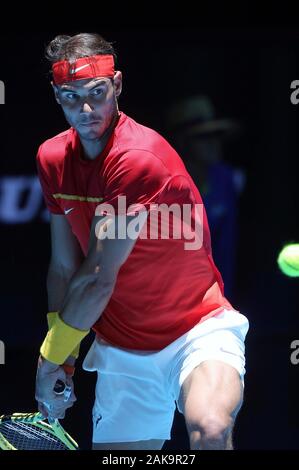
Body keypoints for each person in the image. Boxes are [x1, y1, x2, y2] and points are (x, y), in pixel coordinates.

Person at [35, 33, 249, 451]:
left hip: (195, 330)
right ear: (56, 96)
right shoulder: (51, 159)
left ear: (116, 85)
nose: (85, 109)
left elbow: (97, 278)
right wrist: (63, 357)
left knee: (210, 429)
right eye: (70, 96)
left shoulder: (138, 160)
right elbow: (63, 266)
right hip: (121, 347)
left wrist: (47, 359)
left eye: (97, 93)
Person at [166, 95, 245, 298]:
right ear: (181, 141)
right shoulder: (164, 188)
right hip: (176, 301)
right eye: (202, 137)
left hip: (223, 300)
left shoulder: (230, 179)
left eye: (216, 135)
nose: (213, 143)